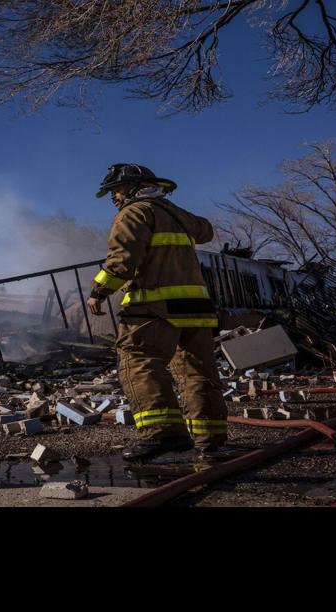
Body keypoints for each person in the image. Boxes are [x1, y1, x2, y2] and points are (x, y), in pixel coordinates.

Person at [86, 163, 233, 461]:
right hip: (197, 309)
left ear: (132, 187)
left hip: (153, 307)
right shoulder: (176, 214)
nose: (114, 197)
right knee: (198, 372)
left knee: (140, 363)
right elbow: (206, 229)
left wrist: (98, 291)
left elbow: (122, 259)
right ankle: (210, 440)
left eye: (116, 190)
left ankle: (164, 435)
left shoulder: (133, 212)